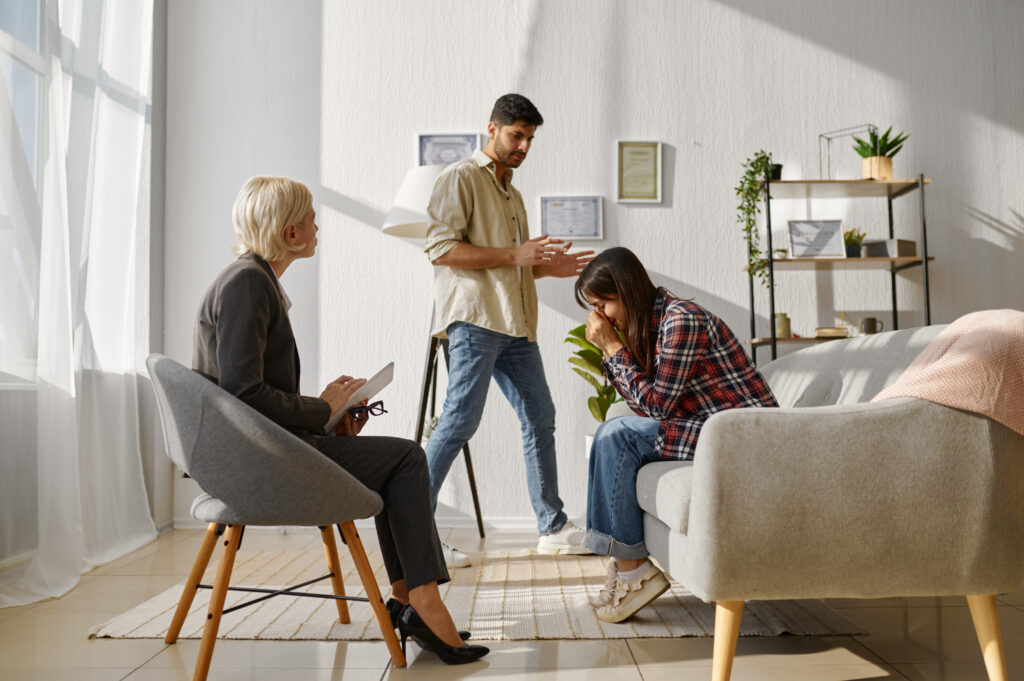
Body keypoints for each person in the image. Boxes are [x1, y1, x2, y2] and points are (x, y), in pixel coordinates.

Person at [192, 176, 487, 664]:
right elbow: (243, 394)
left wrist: (326, 420)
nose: (317, 225)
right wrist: (321, 408)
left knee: (399, 461)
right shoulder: (247, 283)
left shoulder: (251, 280)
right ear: (290, 233)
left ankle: (408, 599)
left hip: (258, 451)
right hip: (255, 464)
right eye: (310, 217)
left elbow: (251, 395)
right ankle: (423, 601)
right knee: (408, 456)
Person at [423, 94, 594, 567]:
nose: (523, 145)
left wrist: (544, 270)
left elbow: (508, 267)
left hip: (517, 326)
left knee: (540, 416)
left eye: (530, 138)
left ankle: (553, 527)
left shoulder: (512, 192)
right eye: (516, 135)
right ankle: (415, 533)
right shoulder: (459, 178)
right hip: (476, 322)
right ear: (492, 129)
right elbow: (440, 250)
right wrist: (517, 257)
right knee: (458, 421)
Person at [573, 247, 778, 623]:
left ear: (628, 291)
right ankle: (627, 566)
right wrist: (614, 350)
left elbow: (657, 407)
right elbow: (644, 402)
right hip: (705, 425)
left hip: (740, 436)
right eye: (594, 306)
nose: (600, 315)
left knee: (616, 435)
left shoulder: (681, 321)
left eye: (604, 303)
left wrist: (614, 349)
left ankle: (633, 572)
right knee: (615, 432)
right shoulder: (652, 325)